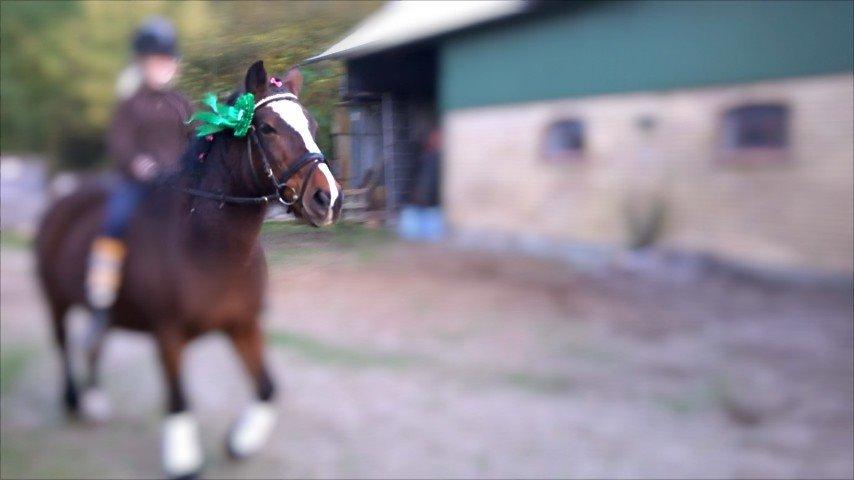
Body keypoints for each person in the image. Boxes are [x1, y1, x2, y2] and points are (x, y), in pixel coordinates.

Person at [86, 17, 193, 311]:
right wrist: (136, 163)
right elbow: (120, 141)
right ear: (142, 64)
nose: (163, 66)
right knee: (115, 220)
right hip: (138, 182)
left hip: (176, 181)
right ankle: (102, 285)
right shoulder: (130, 103)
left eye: (168, 60)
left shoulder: (181, 103)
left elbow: (196, 136)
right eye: (156, 61)